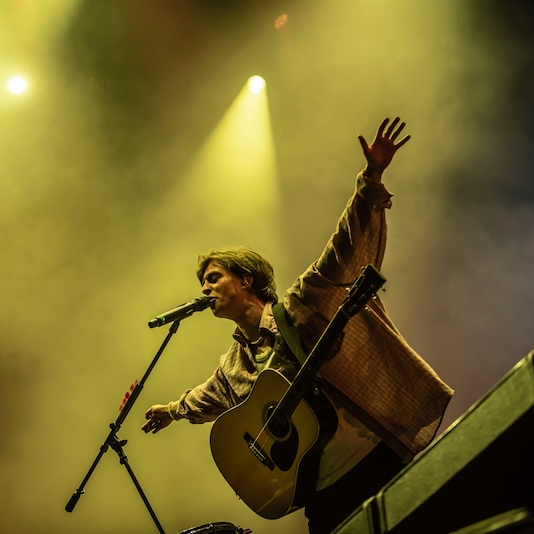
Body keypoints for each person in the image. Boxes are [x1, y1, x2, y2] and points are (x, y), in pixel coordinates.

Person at [140, 117, 454, 534]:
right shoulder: (233, 364)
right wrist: (172, 411)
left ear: (245, 279)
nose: (205, 288)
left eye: (213, 277)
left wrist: (372, 176)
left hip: (374, 463)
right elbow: (209, 395)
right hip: (319, 493)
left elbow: (340, 250)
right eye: (203, 283)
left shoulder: (301, 305)